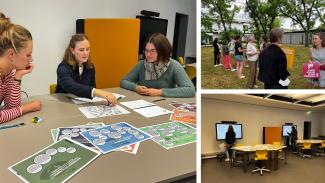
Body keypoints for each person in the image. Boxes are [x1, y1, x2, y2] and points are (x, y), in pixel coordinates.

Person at [120, 33, 195, 98]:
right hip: (143, 104)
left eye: (153, 51)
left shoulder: (174, 65)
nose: (148, 54)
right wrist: (136, 88)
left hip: (165, 105)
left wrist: (160, 92)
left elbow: (190, 90)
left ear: (162, 51)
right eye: (146, 50)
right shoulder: (141, 64)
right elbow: (124, 81)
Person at [0, 13, 41, 123]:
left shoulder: (7, 72)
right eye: (28, 55)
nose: (31, 59)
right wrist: (27, 108)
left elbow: (11, 106)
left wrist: (18, 75)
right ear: (11, 54)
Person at [56, 34, 117, 105]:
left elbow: (92, 87)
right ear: (72, 50)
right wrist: (98, 92)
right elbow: (69, 85)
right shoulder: (63, 67)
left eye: (87, 49)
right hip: (65, 105)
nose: (85, 53)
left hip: (84, 105)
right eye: (81, 50)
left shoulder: (90, 66)